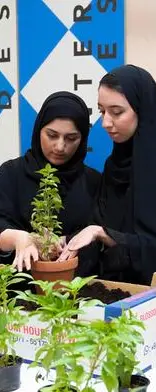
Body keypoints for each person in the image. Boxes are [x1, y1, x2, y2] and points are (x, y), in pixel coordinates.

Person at [59, 64, 156, 284]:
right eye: (102, 111)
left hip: (153, 303)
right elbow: (99, 226)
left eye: (117, 112)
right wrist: (63, 241)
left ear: (141, 109)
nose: (105, 123)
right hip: (105, 293)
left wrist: (105, 234)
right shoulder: (114, 166)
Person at [0, 91, 100, 272]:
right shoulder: (10, 174)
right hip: (16, 293)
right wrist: (19, 238)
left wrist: (67, 242)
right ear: (39, 130)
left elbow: (103, 237)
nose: (60, 146)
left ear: (83, 138)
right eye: (52, 135)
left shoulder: (94, 182)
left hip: (77, 290)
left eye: (71, 138)